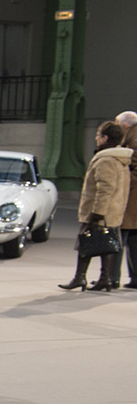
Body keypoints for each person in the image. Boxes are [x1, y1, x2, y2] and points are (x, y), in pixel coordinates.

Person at [59, 120, 132, 291]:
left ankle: (80, 278)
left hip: (100, 212)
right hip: (114, 211)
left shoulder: (106, 160)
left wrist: (97, 213)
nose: (96, 138)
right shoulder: (121, 159)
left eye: (98, 135)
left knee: (86, 242)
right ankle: (104, 279)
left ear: (105, 138)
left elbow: (104, 190)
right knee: (106, 245)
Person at [118, 111, 137, 288]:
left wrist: (123, 184)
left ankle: (111, 277)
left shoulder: (134, 138)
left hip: (132, 198)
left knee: (121, 238)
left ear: (125, 126)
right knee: (132, 239)